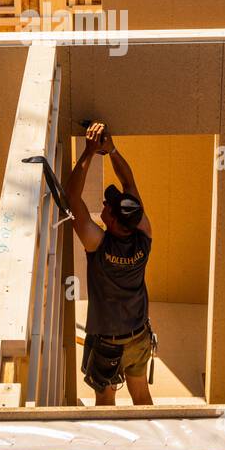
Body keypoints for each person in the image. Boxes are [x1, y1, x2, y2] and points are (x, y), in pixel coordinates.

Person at [68, 121, 154, 406]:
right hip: (139, 335)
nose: (104, 205)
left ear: (114, 220)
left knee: (105, 404)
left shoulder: (98, 243)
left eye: (108, 205)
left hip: (108, 343)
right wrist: (112, 150)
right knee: (141, 394)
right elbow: (129, 183)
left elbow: (72, 198)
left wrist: (90, 152)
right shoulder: (143, 233)